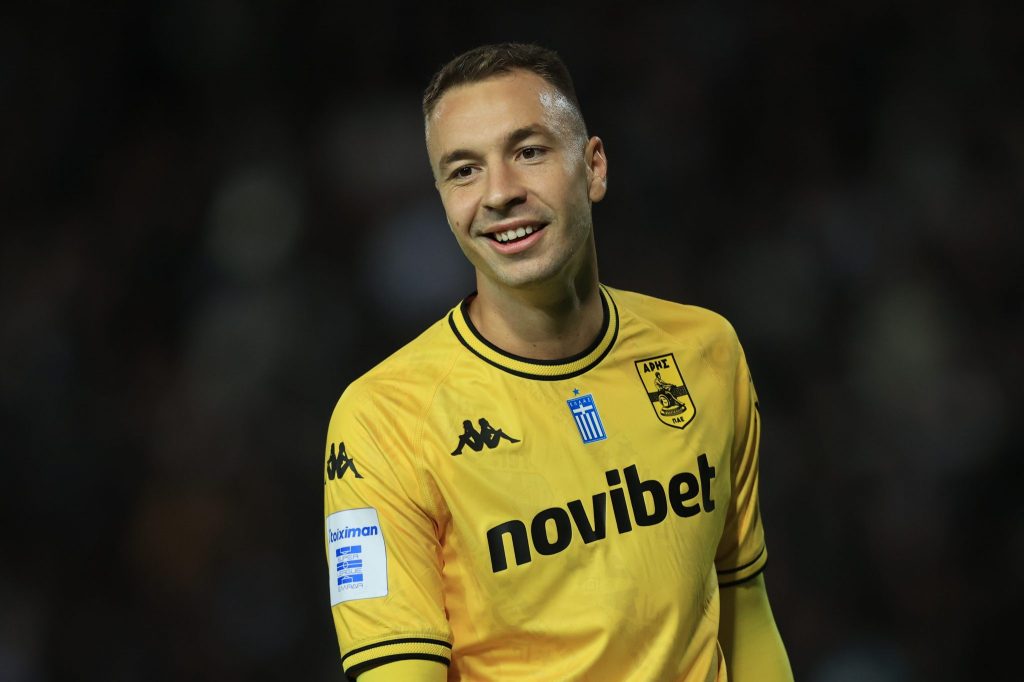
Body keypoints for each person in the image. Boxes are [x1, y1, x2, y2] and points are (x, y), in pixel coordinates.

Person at [323, 43, 793, 681]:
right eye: (464, 171)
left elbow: (743, 603)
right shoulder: (382, 419)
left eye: (528, 152)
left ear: (593, 167)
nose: (499, 193)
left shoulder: (705, 350)